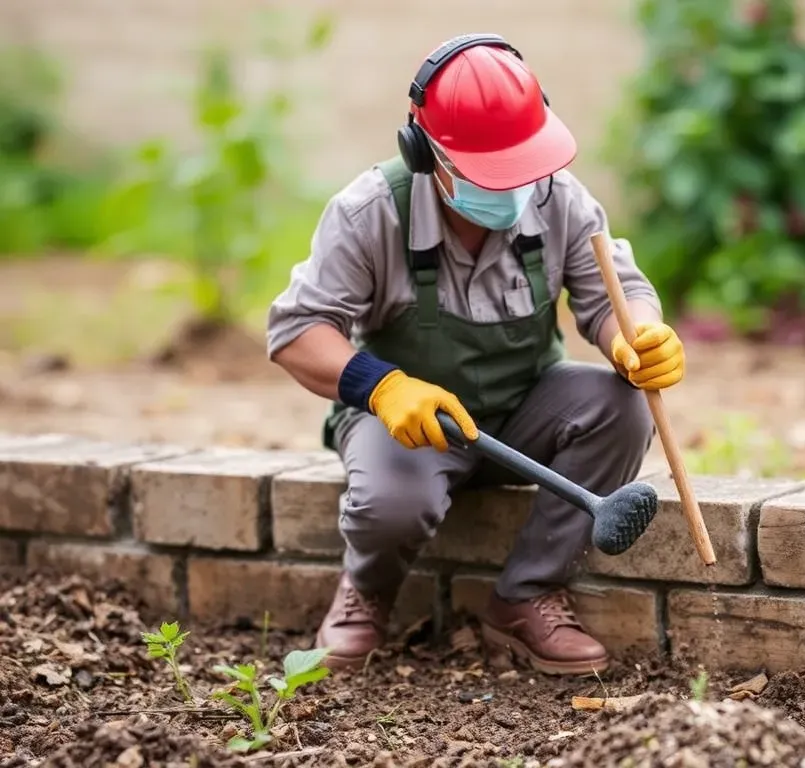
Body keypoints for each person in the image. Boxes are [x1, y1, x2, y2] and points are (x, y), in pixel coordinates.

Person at [265, 33, 686, 675]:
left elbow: (613, 295)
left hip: (525, 409)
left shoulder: (559, 199)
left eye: (524, 166)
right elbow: (297, 331)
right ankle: (366, 593)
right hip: (410, 425)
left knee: (621, 407)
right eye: (493, 173)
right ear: (425, 151)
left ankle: (526, 596)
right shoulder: (371, 212)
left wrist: (638, 336)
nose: (516, 188)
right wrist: (382, 387)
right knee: (390, 505)